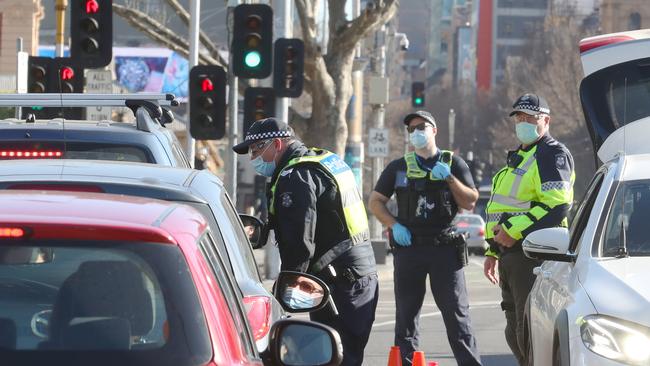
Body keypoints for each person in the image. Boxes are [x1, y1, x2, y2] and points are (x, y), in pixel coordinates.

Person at [233, 118, 378, 366]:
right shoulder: (323, 161)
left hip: (338, 284)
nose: (253, 158)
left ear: (277, 144)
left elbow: (298, 242)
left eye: (257, 150)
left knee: (331, 356)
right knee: (344, 355)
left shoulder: (295, 176)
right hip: (359, 276)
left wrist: (287, 288)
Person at [368, 110, 482, 366]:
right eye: (411, 129)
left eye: (422, 127)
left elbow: (470, 201)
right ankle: (407, 363)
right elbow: (375, 201)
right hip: (409, 248)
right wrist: (393, 225)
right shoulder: (398, 167)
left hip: (445, 249)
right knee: (406, 316)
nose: (417, 132)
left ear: (434, 130)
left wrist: (450, 179)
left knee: (457, 316)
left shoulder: (454, 164)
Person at [483, 93, 574, 365]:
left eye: (530, 118)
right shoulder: (520, 157)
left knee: (531, 332)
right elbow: (506, 208)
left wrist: (513, 231)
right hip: (511, 254)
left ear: (545, 121)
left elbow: (558, 205)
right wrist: (493, 251)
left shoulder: (551, 154)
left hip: (535, 255)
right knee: (515, 330)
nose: (523, 122)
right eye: (519, 117)